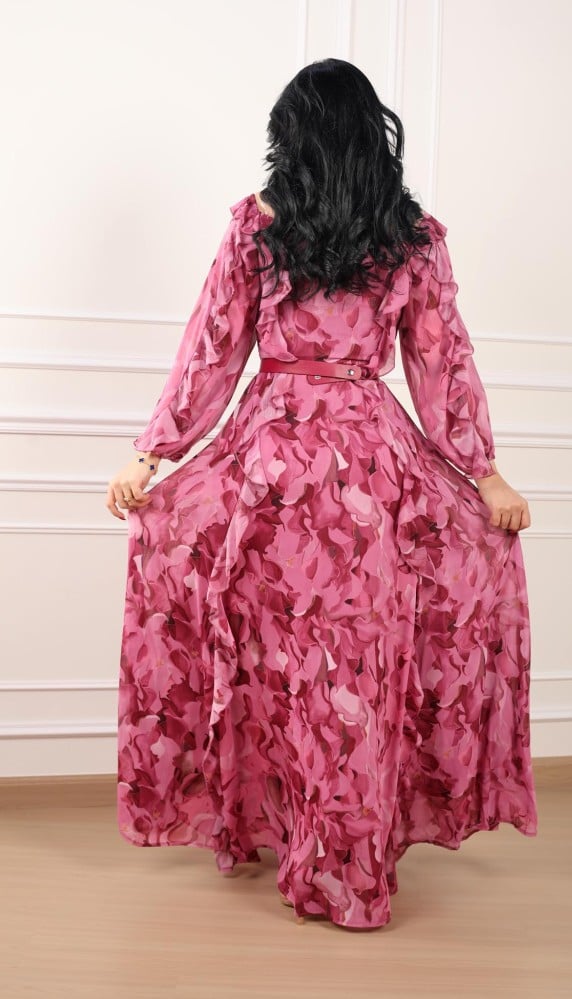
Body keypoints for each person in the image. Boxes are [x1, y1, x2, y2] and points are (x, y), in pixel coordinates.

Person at [108, 58, 538, 931]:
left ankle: (314, 844)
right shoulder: (409, 237)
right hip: (370, 470)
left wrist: (154, 454)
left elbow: (212, 351)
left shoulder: (259, 227)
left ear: (292, 135)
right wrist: (483, 473)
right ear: (371, 133)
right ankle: (340, 859)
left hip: (271, 463)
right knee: (356, 668)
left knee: (283, 661)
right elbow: (442, 364)